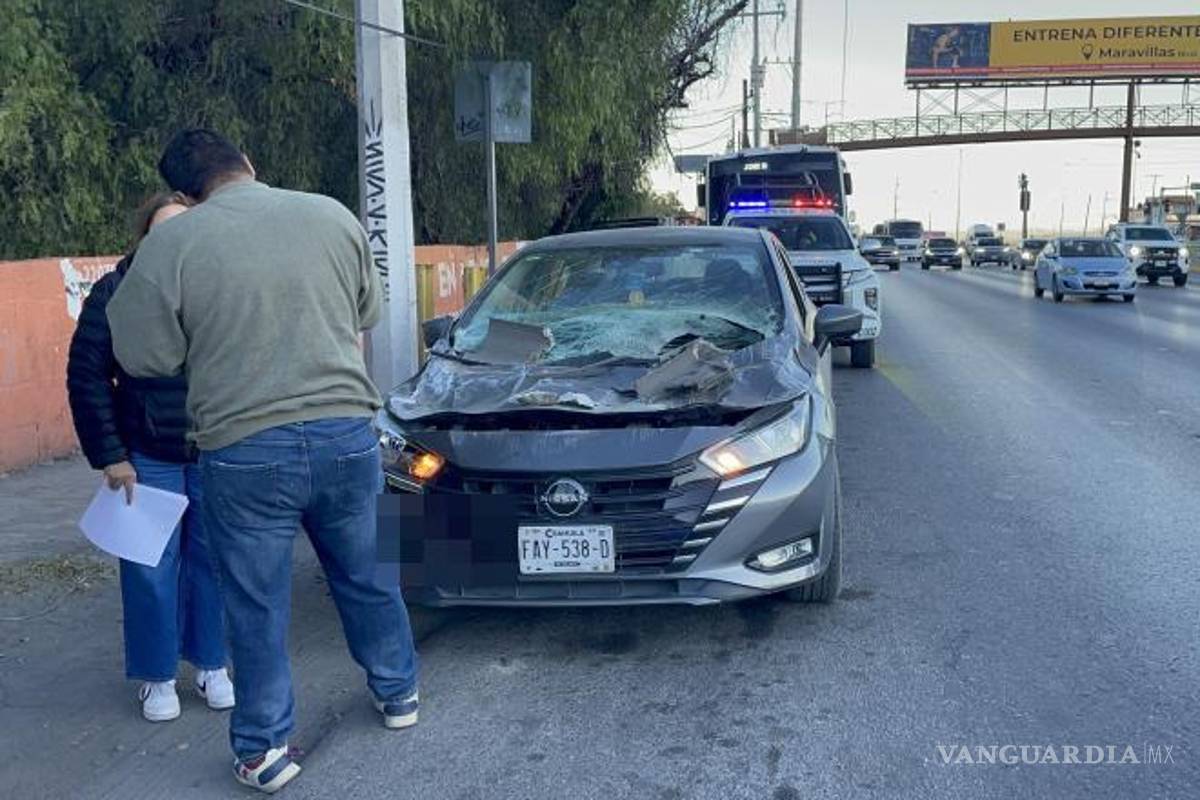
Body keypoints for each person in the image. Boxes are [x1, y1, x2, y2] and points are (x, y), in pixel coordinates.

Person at [105, 129, 418, 794]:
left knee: (255, 603)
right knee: (367, 573)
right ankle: (399, 693)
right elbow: (368, 309)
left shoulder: (172, 243)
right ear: (247, 163)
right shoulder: (331, 213)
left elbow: (143, 357)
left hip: (245, 448)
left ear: (187, 193)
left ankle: (264, 750)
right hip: (346, 432)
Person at [66, 192, 234, 723]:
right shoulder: (114, 292)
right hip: (146, 456)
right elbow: (86, 377)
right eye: (162, 230)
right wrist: (110, 455)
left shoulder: (221, 288)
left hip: (214, 450)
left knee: (215, 564)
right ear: (144, 237)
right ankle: (157, 677)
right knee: (148, 570)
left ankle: (212, 664)